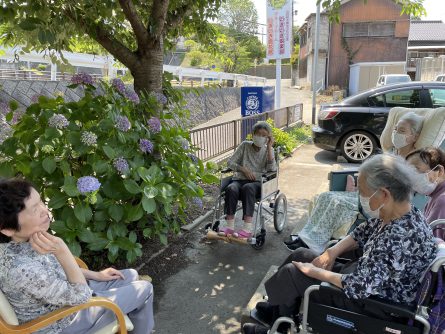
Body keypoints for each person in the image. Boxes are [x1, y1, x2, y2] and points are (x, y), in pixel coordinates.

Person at [243, 153, 437, 334]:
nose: (360, 197)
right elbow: (363, 232)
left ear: (384, 194)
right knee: (300, 255)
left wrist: (316, 272)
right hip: (367, 281)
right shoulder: (404, 214)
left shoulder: (400, 237)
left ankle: (278, 326)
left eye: (363, 192)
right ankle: (277, 312)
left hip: (374, 305)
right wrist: (332, 252)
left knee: (293, 273)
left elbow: (359, 287)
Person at [0, 178, 154, 334]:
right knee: (145, 289)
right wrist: (62, 251)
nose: (45, 210)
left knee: (130, 275)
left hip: (65, 299)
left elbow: (55, 269)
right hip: (62, 322)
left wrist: (96, 275)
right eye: (34, 210)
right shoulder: (21, 269)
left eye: (40, 202)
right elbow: (81, 296)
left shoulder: (23, 242)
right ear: (7, 229)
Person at [286, 112, 424, 253]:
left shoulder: (415, 161)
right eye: (395, 129)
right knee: (325, 197)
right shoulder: (391, 152)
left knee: (337, 203)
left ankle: (312, 246)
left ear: (415, 136)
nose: (396, 134)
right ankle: (306, 238)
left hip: (381, 200)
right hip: (370, 193)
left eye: (401, 131)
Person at [219, 121, 277, 239]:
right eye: (258, 134)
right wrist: (243, 169)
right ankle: (229, 226)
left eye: (264, 135)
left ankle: (247, 228)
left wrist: (270, 147)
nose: (260, 137)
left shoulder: (268, 150)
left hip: (257, 183)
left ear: (267, 138)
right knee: (231, 188)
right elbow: (230, 162)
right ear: (253, 134)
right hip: (240, 179)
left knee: (248, 188)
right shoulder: (245, 145)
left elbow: (272, 169)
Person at [407, 147, 445, 239]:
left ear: (439, 171)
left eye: (416, 169)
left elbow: (431, 244)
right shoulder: (434, 197)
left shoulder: (442, 200)